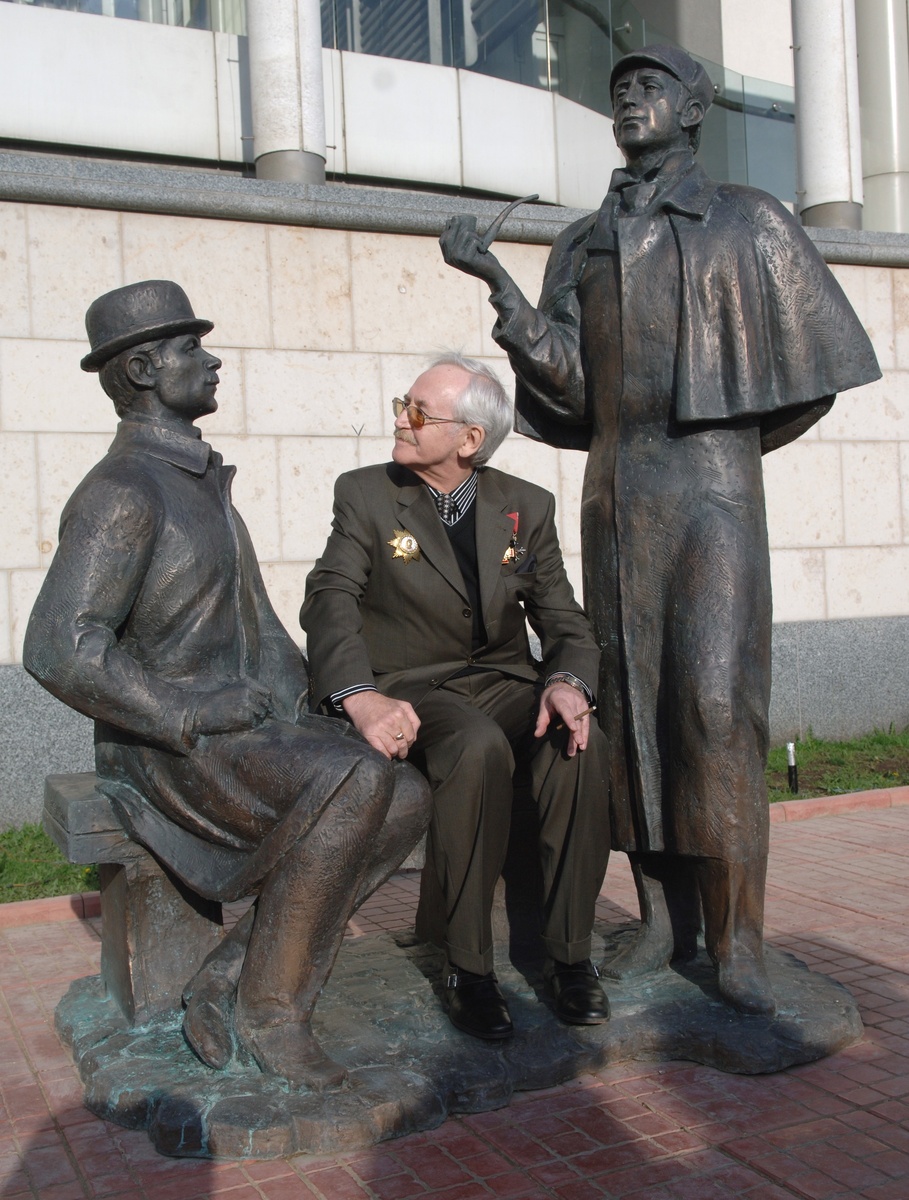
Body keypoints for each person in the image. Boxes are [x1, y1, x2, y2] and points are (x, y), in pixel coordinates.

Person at [439, 46, 880, 1015]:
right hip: (613, 496)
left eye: (651, 87)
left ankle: (741, 941)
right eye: (619, 91)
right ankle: (662, 926)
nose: (630, 99)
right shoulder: (583, 242)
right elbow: (569, 386)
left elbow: (814, 376)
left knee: (715, 710)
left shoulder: (750, 220)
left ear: (694, 108)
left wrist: (724, 443)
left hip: (712, 496)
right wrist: (499, 290)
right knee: (629, 715)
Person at [24, 280, 431, 1090]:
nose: (210, 362)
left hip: (241, 732)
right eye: (189, 349)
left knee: (409, 794)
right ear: (142, 368)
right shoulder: (124, 492)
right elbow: (57, 646)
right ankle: (271, 1014)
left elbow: (263, 631)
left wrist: (339, 704)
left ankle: (228, 976)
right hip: (165, 746)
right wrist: (185, 710)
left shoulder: (203, 486)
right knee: (353, 780)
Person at [301, 352, 610, 1040]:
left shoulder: (524, 509)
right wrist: (357, 696)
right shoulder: (366, 494)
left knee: (580, 741)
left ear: (469, 439)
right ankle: (468, 969)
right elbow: (330, 597)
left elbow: (561, 618)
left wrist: (565, 683)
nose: (401, 420)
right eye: (402, 405)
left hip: (501, 681)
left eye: (417, 411)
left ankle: (571, 958)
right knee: (473, 747)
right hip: (409, 688)